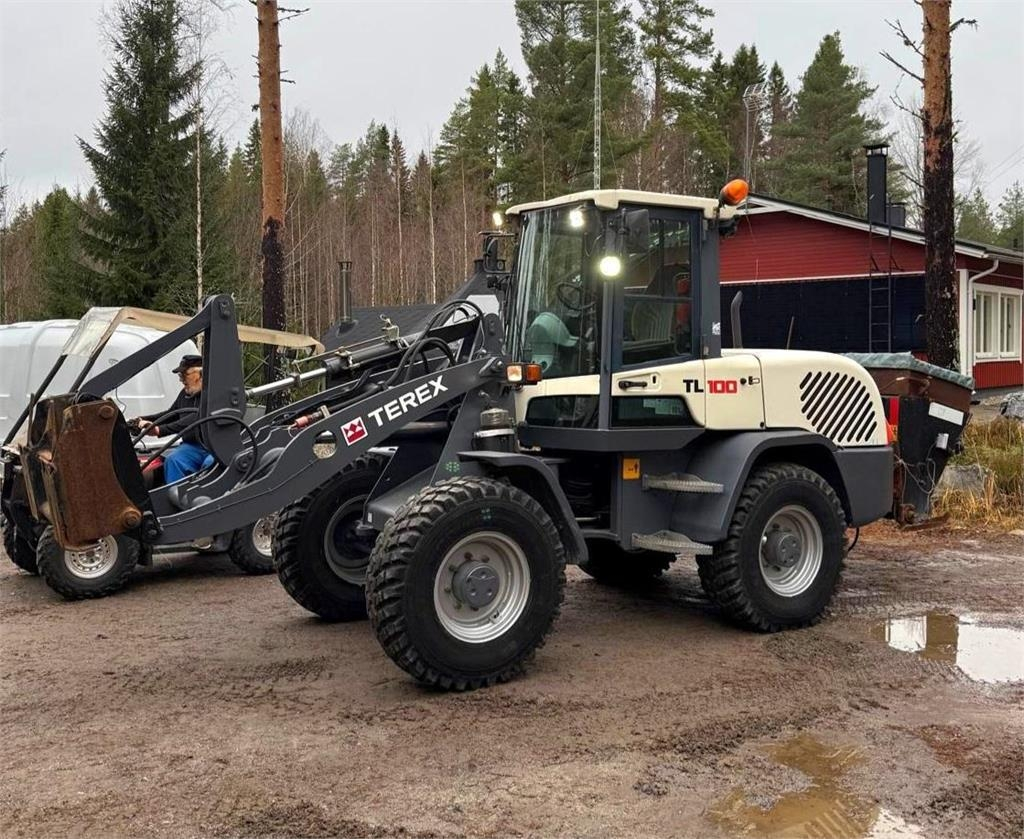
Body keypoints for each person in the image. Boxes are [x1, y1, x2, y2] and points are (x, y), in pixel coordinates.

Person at [134, 354, 215, 484]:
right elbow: (172, 414)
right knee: (173, 460)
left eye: (185, 375)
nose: (181, 380)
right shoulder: (185, 394)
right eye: (180, 376)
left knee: (211, 465)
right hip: (193, 446)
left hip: (215, 447)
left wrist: (159, 430)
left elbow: (196, 417)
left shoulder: (214, 395)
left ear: (201, 374)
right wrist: (142, 419)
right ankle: (175, 494)